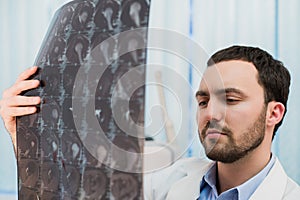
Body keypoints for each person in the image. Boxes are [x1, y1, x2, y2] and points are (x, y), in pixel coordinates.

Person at [1, 45, 300, 199]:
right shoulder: (172, 182)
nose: (211, 114)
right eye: (203, 101)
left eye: (231, 100)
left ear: (274, 113)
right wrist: (25, 137)